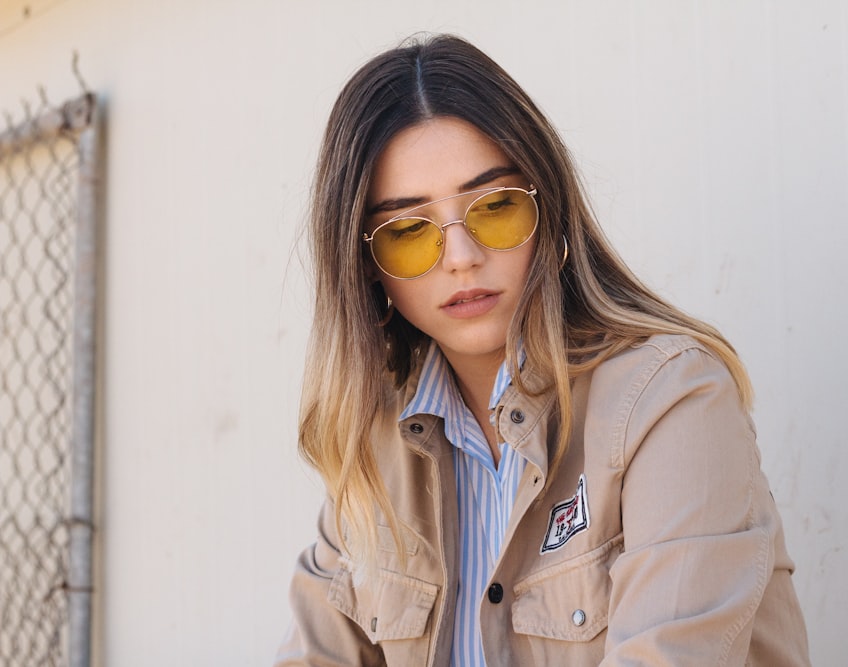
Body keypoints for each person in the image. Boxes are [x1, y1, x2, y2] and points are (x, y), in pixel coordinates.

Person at [276, 33, 810, 666]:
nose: (462, 257)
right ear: (364, 264)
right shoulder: (371, 449)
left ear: (550, 210)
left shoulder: (671, 404)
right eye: (408, 231)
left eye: (497, 207)